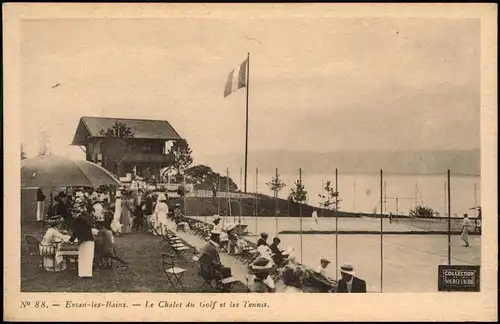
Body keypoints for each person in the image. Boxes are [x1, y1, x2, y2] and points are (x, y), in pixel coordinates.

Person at [69, 200, 96, 278]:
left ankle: (84, 273)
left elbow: (76, 232)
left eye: (72, 214)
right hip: (89, 239)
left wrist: (71, 240)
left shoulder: (78, 220)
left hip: (84, 240)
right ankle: (87, 273)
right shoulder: (84, 218)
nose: (72, 216)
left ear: (75, 213)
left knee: (83, 257)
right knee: (88, 257)